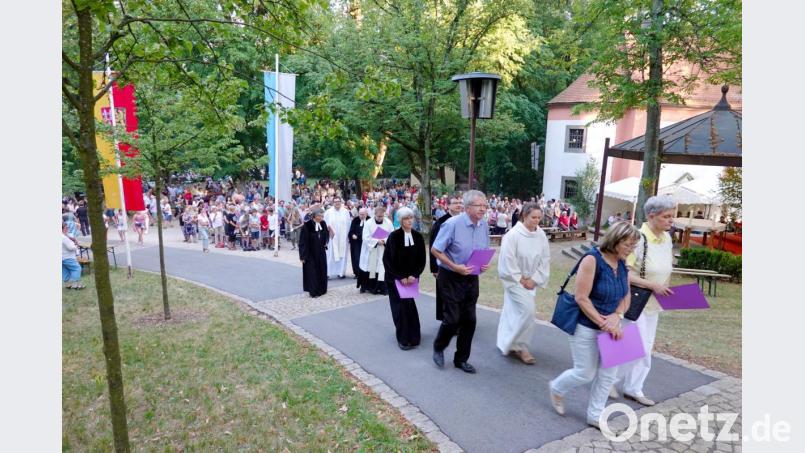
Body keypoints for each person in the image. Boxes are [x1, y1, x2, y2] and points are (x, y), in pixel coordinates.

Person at [548, 221, 640, 429]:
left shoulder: (623, 263)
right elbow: (581, 298)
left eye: (633, 246)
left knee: (609, 374)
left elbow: (626, 294)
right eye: (628, 245)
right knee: (585, 372)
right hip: (586, 324)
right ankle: (557, 388)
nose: (630, 250)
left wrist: (618, 315)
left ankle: (595, 414)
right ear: (615, 240)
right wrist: (603, 323)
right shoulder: (592, 259)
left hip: (613, 324)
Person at [611, 196, 676, 407]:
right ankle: (607, 378)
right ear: (651, 216)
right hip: (635, 300)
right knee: (630, 346)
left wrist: (663, 286)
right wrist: (652, 285)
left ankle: (633, 387)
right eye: (666, 216)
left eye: (672, 215)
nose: (671, 220)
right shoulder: (638, 238)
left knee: (646, 347)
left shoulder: (666, 239)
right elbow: (623, 272)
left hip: (655, 302)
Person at [431, 190, 491, 374]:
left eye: (485, 205)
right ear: (467, 207)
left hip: (471, 277)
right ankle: (439, 347)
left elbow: (484, 248)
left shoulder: (484, 226)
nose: (483, 209)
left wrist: (483, 263)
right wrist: (455, 266)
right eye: (479, 205)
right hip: (450, 277)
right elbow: (435, 250)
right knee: (452, 319)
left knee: (469, 320)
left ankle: (461, 359)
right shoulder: (452, 224)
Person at [496, 203, 550, 364]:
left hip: (531, 280)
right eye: (533, 217)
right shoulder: (513, 235)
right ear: (524, 216)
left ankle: (510, 342)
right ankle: (521, 346)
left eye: (539, 218)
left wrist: (535, 279)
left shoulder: (541, 235)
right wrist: (520, 278)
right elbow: (508, 260)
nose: (536, 221)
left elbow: (545, 259)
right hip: (513, 279)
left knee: (513, 311)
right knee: (528, 311)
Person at [383, 207, 426, 350]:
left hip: (411, 279)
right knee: (400, 309)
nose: (409, 221)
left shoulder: (418, 237)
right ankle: (403, 338)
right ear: (400, 221)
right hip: (395, 279)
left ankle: (414, 337)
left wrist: (414, 275)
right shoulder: (394, 237)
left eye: (411, 218)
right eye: (406, 219)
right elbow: (388, 260)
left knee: (410, 307)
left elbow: (421, 260)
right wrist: (400, 277)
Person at [429, 196, 463, 321]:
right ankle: (448, 321)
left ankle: (459, 319)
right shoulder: (441, 222)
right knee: (447, 295)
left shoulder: (464, 220)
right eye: (455, 203)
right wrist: (434, 268)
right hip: (444, 265)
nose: (459, 205)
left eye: (460, 202)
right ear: (447, 206)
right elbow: (434, 246)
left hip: (460, 265)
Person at [359, 206, 394, 295]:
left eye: (382, 216)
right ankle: (371, 287)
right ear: (374, 215)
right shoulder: (368, 223)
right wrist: (376, 241)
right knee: (372, 268)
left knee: (382, 268)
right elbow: (365, 237)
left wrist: (384, 241)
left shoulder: (388, 222)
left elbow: (392, 235)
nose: (380, 218)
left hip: (383, 248)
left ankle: (382, 288)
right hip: (372, 249)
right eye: (378, 216)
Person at [299, 208, 329, 298]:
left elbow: (325, 234)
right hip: (310, 253)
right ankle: (313, 291)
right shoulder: (307, 226)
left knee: (321, 270)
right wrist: (303, 256)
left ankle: (322, 289)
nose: (321, 218)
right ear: (314, 216)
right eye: (320, 216)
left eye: (322, 216)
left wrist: (326, 241)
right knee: (312, 272)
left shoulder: (323, 223)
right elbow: (302, 242)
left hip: (321, 252)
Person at [324, 197, 351, 279]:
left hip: (343, 238)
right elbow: (325, 224)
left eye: (338, 201)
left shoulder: (346, 212)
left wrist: (348, 236)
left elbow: (349, 224)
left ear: (341, 202)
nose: (337, 203)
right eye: (335, 202)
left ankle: (341, 272)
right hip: (332, 238)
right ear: (333, 203)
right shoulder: (328, 212)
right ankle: (328, 273)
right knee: (331, 255)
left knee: (342, 255)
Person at [62, 222, 85, 290]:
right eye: (66, 227)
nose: (67, 228)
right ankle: (76, 285)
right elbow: (70, 247)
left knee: (64, 270)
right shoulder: (63, 237)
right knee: (77, 268)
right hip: (68, 256)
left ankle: (68, 285)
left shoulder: (64, 236)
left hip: (61, 257)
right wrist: (76, 246)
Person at [349, 208, 367, 279]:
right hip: (357, 243)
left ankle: (365, 273)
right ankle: (357, 273)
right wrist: (352, 234)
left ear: (366, 214)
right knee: (357, 258)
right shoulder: (355, 220)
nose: (361, 216)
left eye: (363, 214)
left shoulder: (370, 220)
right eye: (360, 214)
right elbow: (351, 230)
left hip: (366, 243)